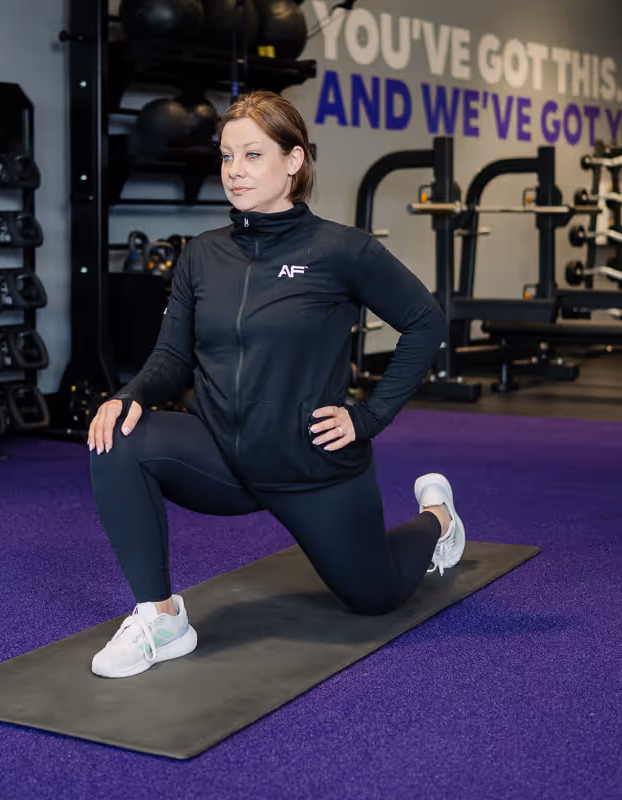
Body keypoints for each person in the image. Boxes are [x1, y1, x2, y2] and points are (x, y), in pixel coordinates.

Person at [86, 90, 461, 679]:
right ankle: (162, 618)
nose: (234, 171)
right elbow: (171, 356)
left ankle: (437, 519)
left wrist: (369, 417)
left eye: (252, 155)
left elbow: (425, 322)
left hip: (311, 465)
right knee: (118, 437)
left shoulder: (343, 251)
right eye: (226, 156)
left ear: (293, 160)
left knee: (375, 597)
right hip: (223, 456)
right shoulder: (202, 255)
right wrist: (127, 394)